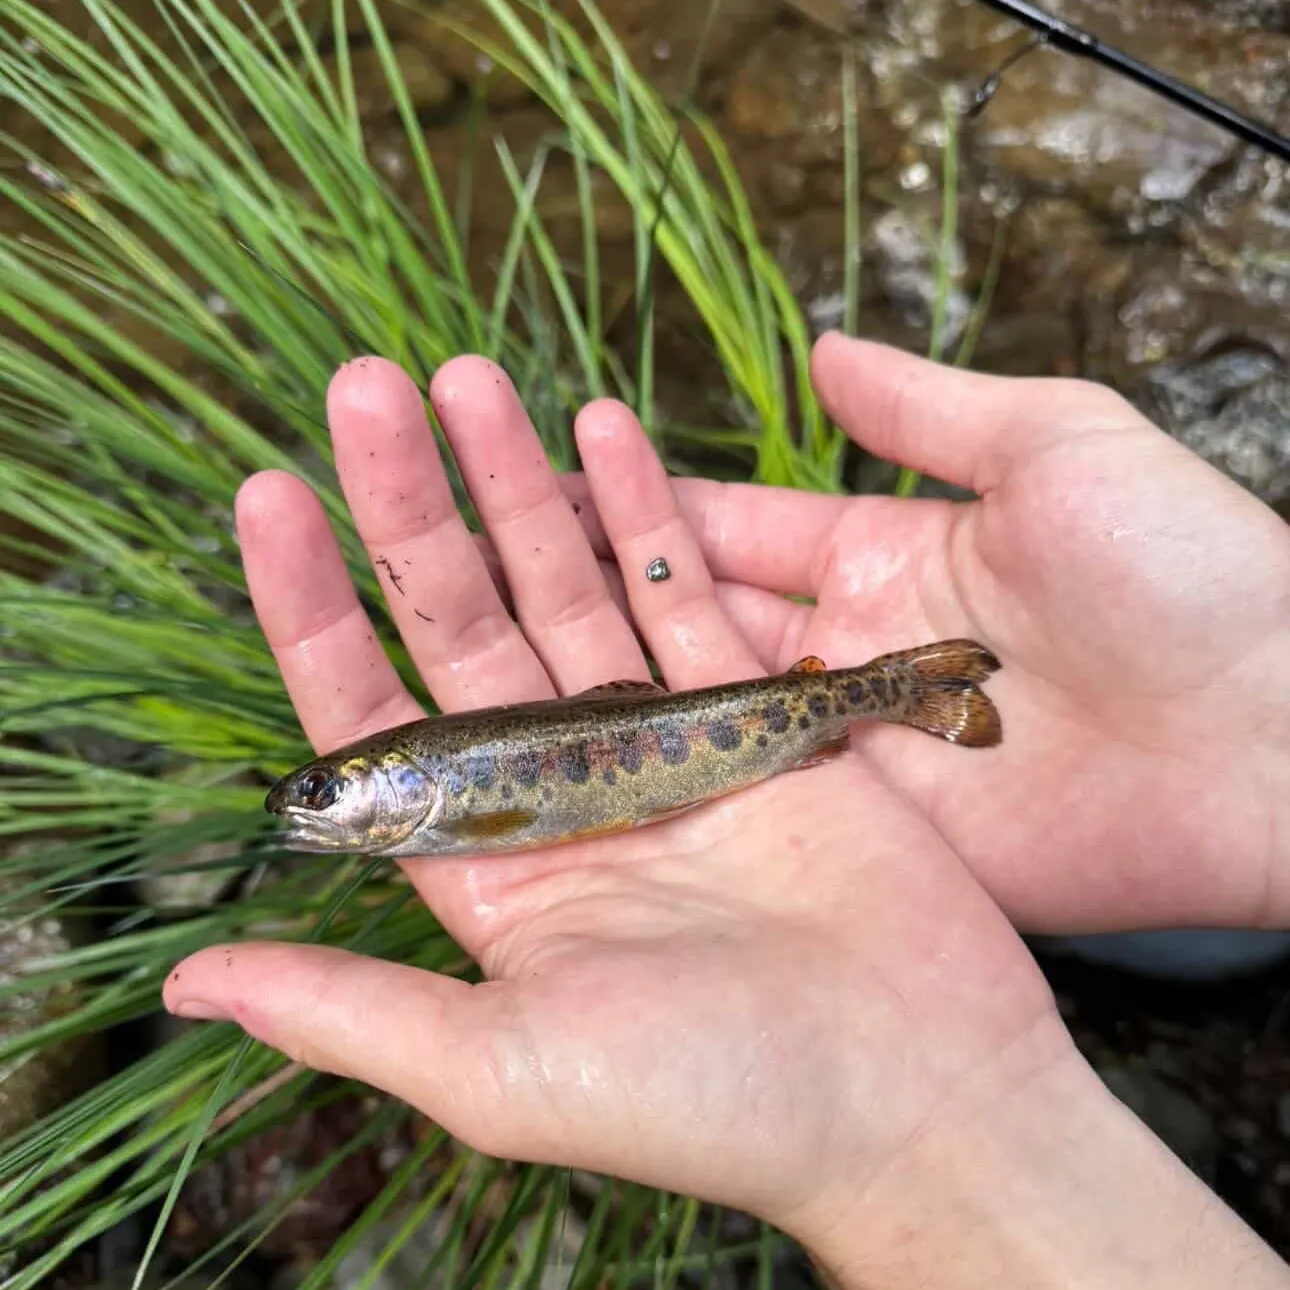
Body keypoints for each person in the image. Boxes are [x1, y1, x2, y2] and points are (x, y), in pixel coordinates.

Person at [163, 332, 1290, 1287]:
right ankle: (898, 691)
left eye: (324, 792)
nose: (309, 808)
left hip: (731, 730)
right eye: (316, 795)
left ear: (392, 782)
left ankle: (898, 687)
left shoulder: (447, 800)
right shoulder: (436, 796)